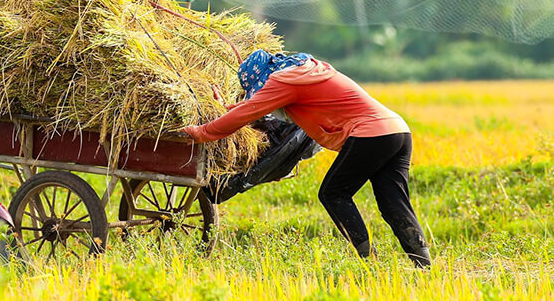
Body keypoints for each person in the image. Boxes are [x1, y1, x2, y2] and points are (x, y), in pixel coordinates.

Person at [183, 49, 431, 268]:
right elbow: (253, 107)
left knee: (333, 194)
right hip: (397, 130)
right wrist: (225, 108)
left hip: (369, 135)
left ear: (264, 77)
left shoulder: (282, 81)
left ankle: (369, 261)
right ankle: (424, 265)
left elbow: (249, 112)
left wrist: (201, 132)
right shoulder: (308, 70)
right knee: (394, 202)